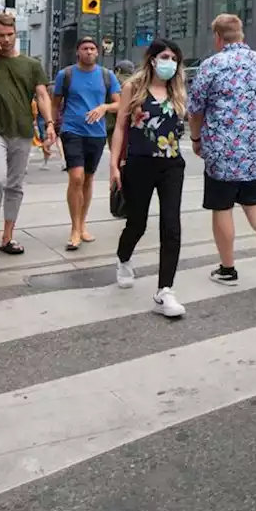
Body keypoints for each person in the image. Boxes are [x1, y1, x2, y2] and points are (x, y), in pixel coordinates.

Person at [187, 14, 256, 287]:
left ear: (218, 37)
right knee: (255, 202)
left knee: (221, 208)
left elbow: (195, 109)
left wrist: (196, 139)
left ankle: (228, 269)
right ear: (242, 35)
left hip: (223, 152)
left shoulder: (211, 66)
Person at [110, 39, 187, 318]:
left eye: (174, 58)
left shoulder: (177, 90)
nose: (170, 62)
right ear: (152, 59)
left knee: (171, 225)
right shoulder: (134, 87)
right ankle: (123, 259)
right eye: (165, 56)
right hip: (139, 163)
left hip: (172, 165)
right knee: (137, 223)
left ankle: (165, 290)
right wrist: (114, 165)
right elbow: (120, 128)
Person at [0, 13, 55, 260]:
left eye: (10, 35)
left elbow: (41, 95)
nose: (6, 40)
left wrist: (49, 123)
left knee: (15, 185)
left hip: (23, 129)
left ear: (16, 33)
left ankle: (8, 235)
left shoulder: (31, 65)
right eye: (0, 36)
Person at [52, 37, 121, 251]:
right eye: (85, 48)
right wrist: (52, 128)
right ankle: (74, 229)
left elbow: (120, 104)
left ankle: (82, 224)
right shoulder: (66, 74)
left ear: (97, 52)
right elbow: (55, 104)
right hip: (72, 130)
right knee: (76, 177)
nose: (89, 52)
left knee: (88, 179)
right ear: (78, 52)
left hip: (97, 134)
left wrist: (104, 108)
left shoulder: (107, 76)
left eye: (92, 48)